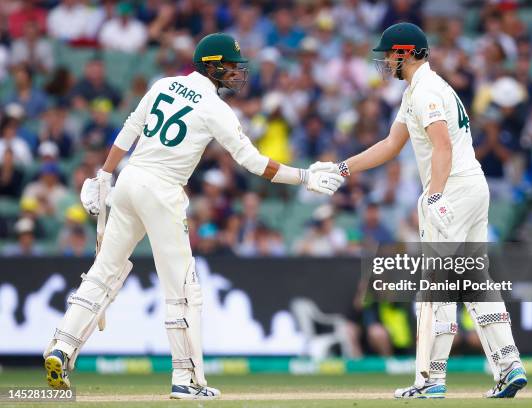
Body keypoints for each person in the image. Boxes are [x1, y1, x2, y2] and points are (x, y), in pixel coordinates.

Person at [43, 33, 343, 400]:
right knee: (183, 290)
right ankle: (185, 378)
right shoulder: (215, 108)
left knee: (104, 272)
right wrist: (305, 176)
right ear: (212, 66)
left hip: (129, 179)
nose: (235, 73)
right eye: (230, 67)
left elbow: (129, 130)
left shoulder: (164, 84)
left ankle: (61, 347)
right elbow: (253, 163)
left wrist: (103, 174)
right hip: (162, 190)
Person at [310, 23, 527, 399]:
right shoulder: (423, 88)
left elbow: (441, 145)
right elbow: (392, 144)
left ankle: (430, 379)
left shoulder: (426, 91)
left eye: (389, 54)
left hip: (452, 188)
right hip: (472, 187)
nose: (385, 62)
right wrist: (342, 168)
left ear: (406, 53)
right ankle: (509, 365)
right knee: (476, 280)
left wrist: (435, 195)